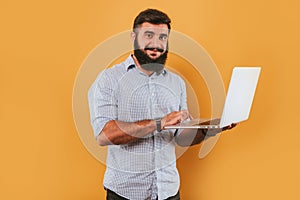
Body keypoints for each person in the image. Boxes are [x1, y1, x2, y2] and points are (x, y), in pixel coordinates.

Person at [88, 8, 235, 200]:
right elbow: (105, 135)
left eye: (163, 38)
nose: (156, 44)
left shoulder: (176, 83)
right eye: (148, 35)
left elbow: (181, 136)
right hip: (126, 194)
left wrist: (213, 126)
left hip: (168, 192)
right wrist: (159, 123)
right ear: (134, 36)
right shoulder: (109, 79)